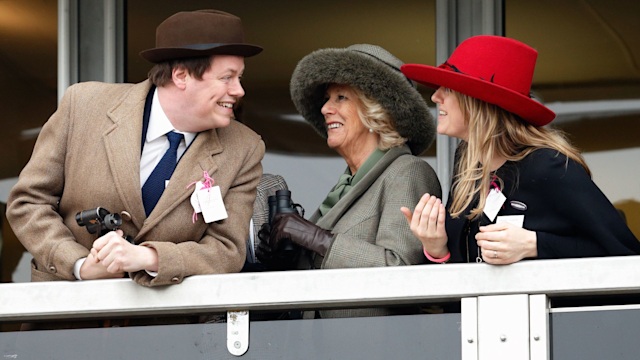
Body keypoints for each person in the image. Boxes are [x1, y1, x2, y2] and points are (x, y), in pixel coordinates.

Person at [6, 10, 265, 287]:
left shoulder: (245, 148)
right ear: (181, 75)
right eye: (227, 77)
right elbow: (28, 202)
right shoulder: (82, 105)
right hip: (67, 320)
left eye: (239, 77)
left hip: (167, 326)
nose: (239, 90)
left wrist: (149, 258)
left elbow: (227, 250)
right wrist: (80, 265)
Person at [399, 35, 640, 265]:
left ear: (479, 101)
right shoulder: (467, 161)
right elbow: (468, 272)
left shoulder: (548, 165)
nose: (435, 97)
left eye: (448, 88)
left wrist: (535, 245)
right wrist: (436, 248)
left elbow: (626, 253)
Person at [258, 44, 441, 318]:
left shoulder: (407, 172)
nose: (325, 108)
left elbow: (401, 270)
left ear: (376, 111)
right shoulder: (345, 186)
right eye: (327, 98)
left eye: (341, 97)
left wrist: (316, 238)